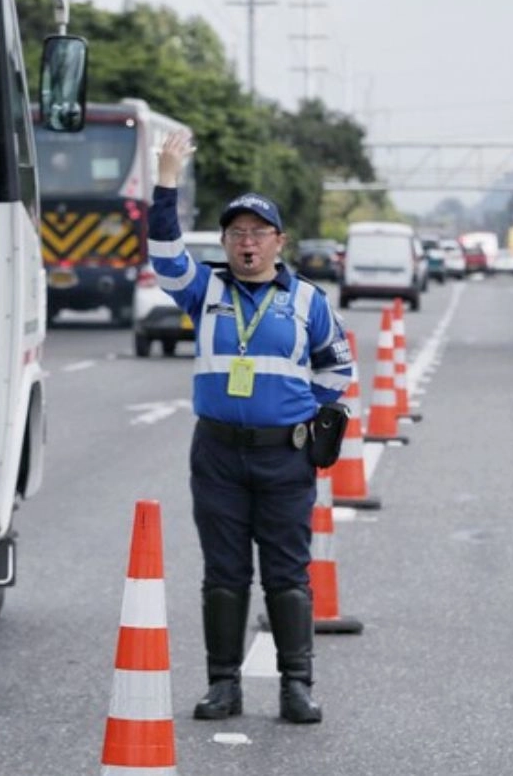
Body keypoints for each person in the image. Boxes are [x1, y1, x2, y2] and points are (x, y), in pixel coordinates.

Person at [147, 131, 355, 725]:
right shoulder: (204, 290)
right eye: (236, 232)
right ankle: (223, 686)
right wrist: (166, 180)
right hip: (217, 455)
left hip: (285, 458)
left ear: (278, 242)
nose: (247, 242)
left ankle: (296, 686)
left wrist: (304, 417)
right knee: (224, 574)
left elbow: (337, 367)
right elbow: (164, 253)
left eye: (259, 233)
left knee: (287, 575)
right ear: (224, 242)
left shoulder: (307, 301)